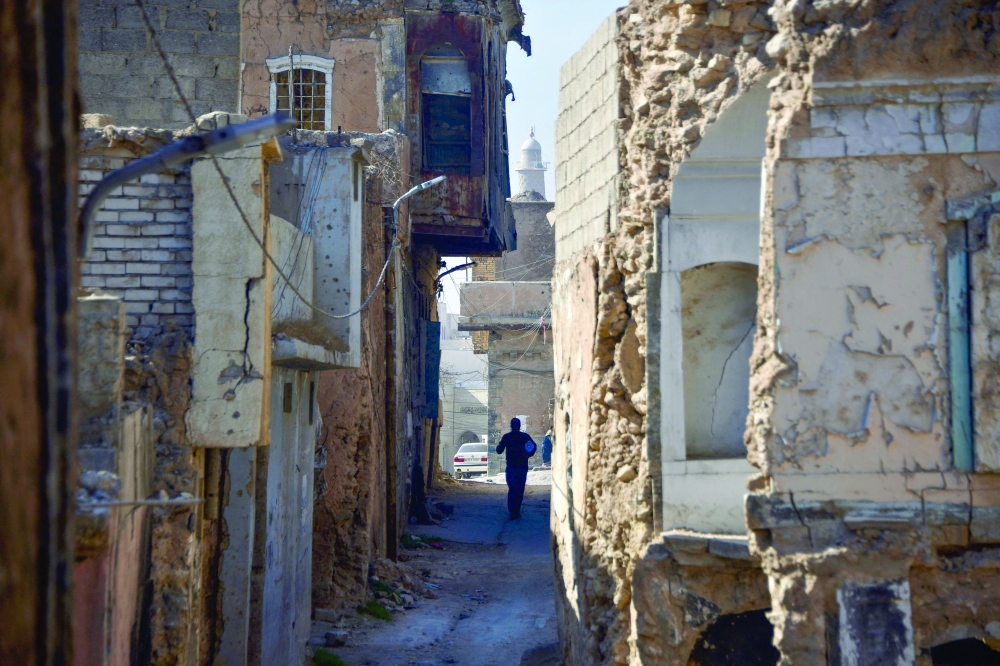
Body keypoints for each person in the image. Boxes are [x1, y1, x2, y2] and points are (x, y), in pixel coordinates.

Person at [495, 417, 537, 519]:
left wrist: (501, 445)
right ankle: (516, 511)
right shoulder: (524, 436)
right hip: (522, 466)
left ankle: (512, 511)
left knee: (512, 488)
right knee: (520, 489)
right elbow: (534, 446)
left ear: (511, 426)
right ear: (519, 426)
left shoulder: (507, 437)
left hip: (511, 467)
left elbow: (499, 450)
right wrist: (528, 454)